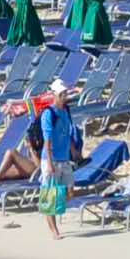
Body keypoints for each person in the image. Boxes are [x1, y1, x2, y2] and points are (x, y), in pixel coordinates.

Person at [34, 80, 81, 239]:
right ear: (54, 94)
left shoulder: (66, 110)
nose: (64, 97)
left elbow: (67, 132)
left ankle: (54, 205)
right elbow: (47, 140)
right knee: (50, 196)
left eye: (65, 94)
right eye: (61, 94)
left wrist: (73, 149)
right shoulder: (48, 113)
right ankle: (54, 231)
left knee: (70, 191)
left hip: (65, 158)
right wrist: (48, 163)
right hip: (51, 159)